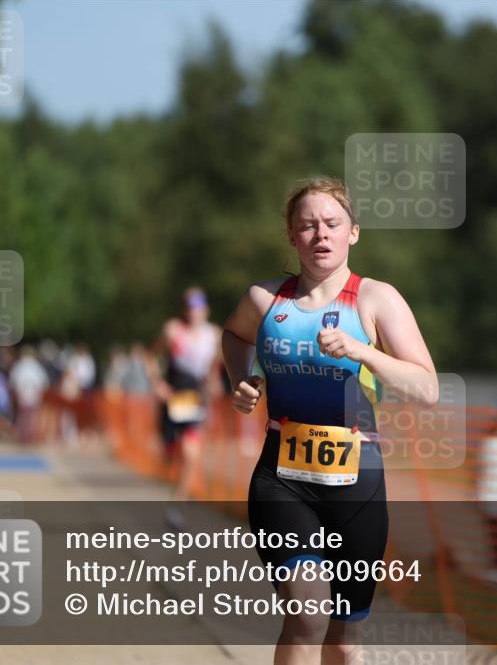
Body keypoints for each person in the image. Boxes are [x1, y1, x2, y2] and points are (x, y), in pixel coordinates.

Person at [222, 177, 438, 665]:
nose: (320, 234)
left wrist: (364, 350)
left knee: (343, 637)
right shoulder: (265, 299)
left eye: (331, 223)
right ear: (291, 237)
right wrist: (244, 380)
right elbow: (234, 337)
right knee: (306, 616)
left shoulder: (376, 300)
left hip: (357, 484)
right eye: (307, 225)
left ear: (353, 232)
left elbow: (427, 388)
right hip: (282, 479)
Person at [148, 286, 223, 521]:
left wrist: (214, 383)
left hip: (195, 399)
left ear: (206, 310)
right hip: (173, 398)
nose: (194, 313)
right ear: (184, 310)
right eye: (190, 308)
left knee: (191, 454)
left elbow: (215, 368)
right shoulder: (172, 330)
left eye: (198, 308)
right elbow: (150, 356)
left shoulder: (215, 335)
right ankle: (175, 478)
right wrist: (158, 384)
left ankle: (177, 506)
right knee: (171, 455)